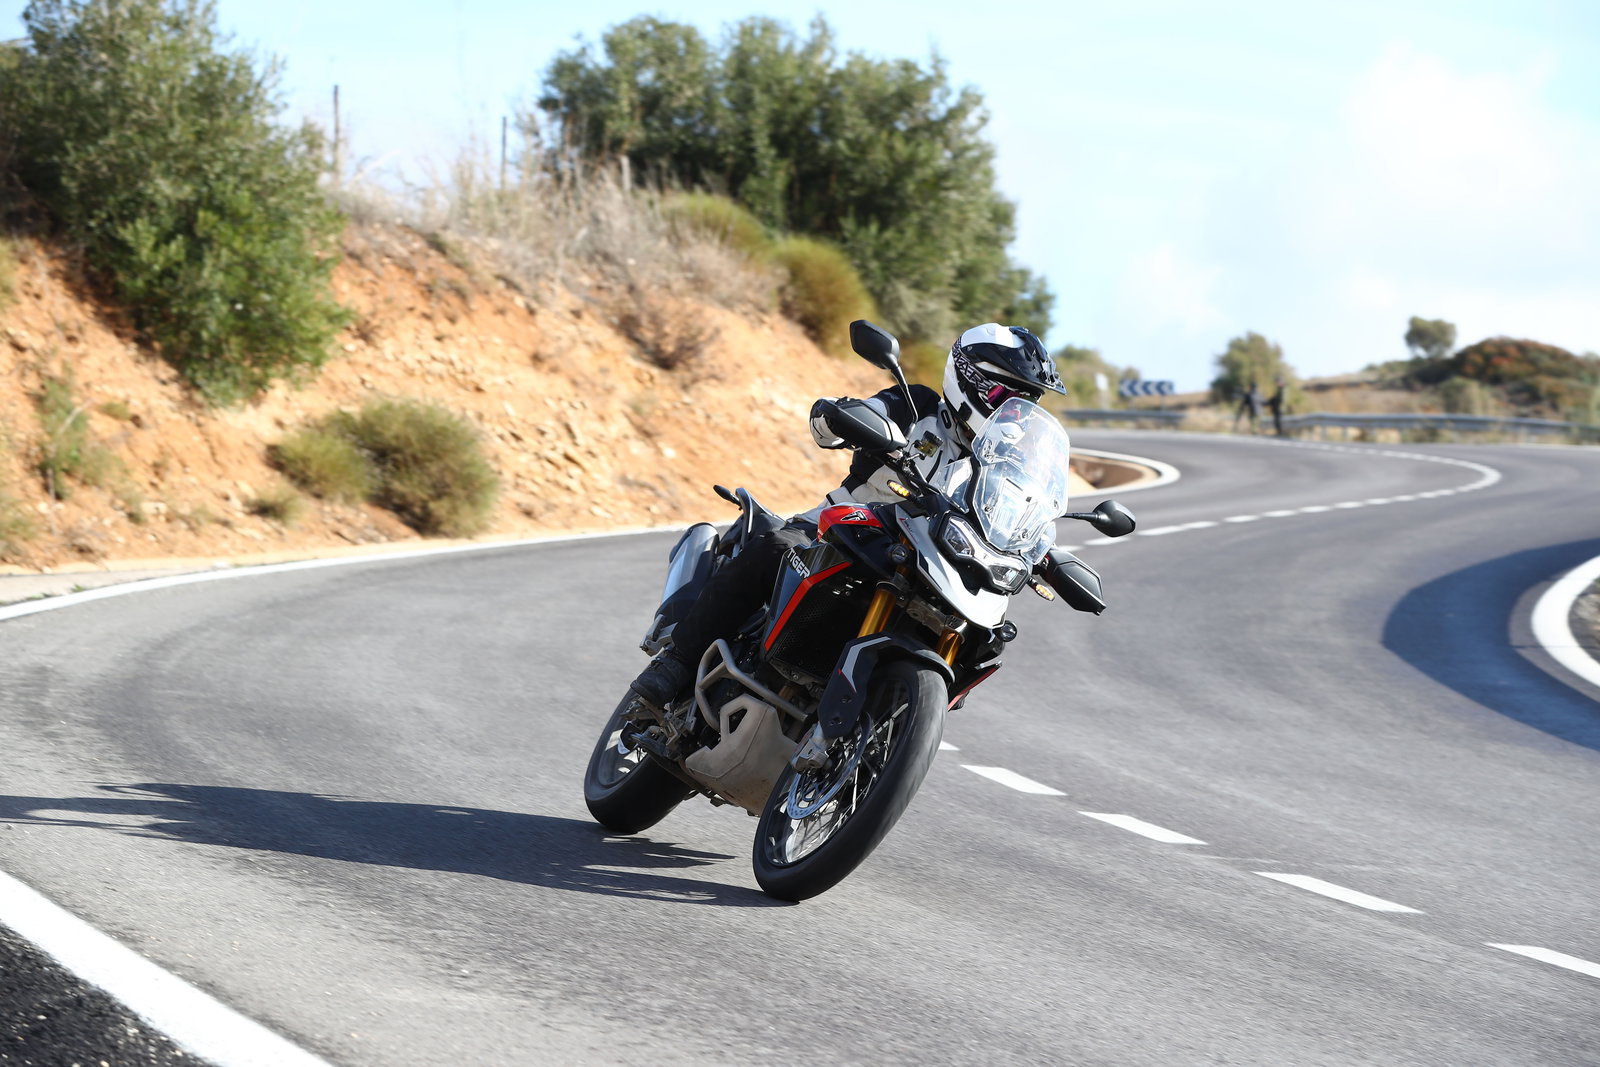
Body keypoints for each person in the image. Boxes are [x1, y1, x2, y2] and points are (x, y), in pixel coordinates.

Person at [629, 322, 1069, 708]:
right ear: (968, 377)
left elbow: (1019, 514)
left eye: (1028, 401)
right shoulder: (917, 408)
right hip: (843, 530)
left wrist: (1044, 550)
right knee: (778, 547)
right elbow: (842, 420)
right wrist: (841, 416)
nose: (1014, 410)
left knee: (979, 637)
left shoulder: (1000, 466)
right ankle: (677, 663)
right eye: (1006, 392)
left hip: (930, 564)